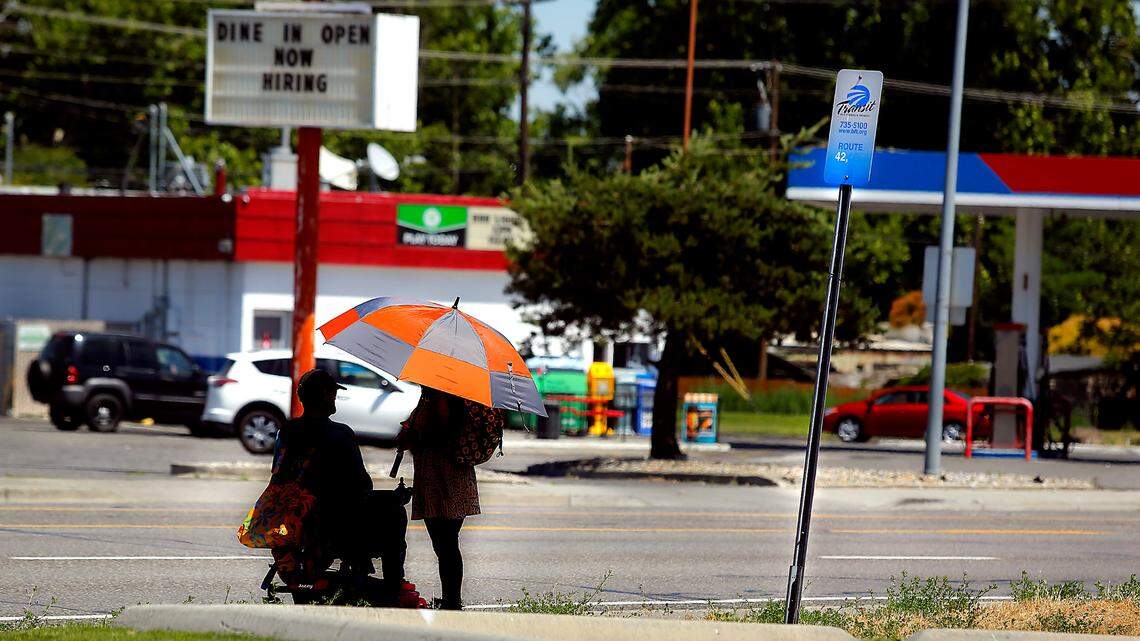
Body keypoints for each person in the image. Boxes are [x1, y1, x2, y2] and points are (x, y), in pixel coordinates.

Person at [269, 368, 407, 601]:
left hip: (297, 520)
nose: (335, 398)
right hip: (339, 525)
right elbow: (362, 486)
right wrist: (394, 498)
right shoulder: (341, 434)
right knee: (395, 511)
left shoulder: (287, 431)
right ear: (324, 396)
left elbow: (279, 474)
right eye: (333, 393)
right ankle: (394, 586)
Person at [398, 387, 480, 610]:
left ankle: (452, 602)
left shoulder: (444, 396)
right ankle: (451, 599)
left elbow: (442, 433)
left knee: (446, 544)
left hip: (446, 481)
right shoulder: (429, 397)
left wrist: (414, 435)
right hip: (434, 479)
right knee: (443, 545)